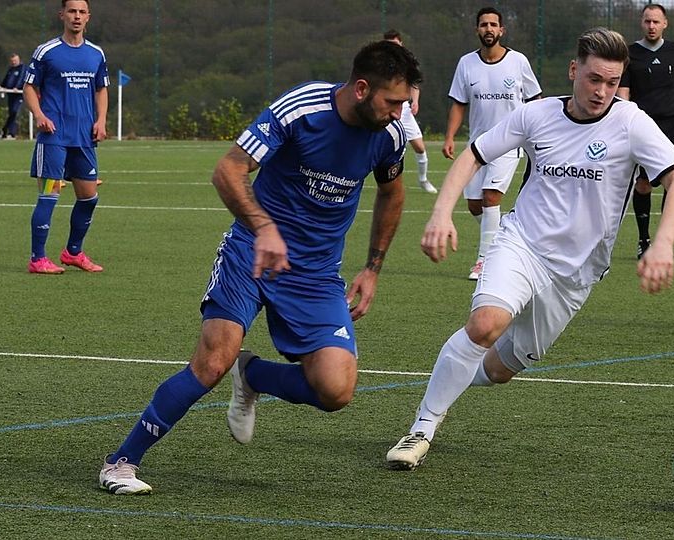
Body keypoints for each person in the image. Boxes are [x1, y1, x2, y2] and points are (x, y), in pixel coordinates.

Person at [98, 40, 422, 495]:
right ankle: (121, 463)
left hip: (315, 273)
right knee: (212, 362)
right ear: (363, 88)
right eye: (393, 101)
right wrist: (264, 227)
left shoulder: (391, 136)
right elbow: (228, 170)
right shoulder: (301, 108)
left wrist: (372, 268)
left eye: (405, 103)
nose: (399, 112)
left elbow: (392, 193)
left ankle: (254, 375)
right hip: (251, 251)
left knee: (335, 390)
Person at [386, 27, 674, 470]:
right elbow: (475, 153)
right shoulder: (537, 114)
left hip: (577, 274)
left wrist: (663, 242)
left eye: (611, 82)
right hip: (522, 244)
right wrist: (441, 213)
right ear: (574, 70)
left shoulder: (632, 123)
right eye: (593, 79)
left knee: (500, 369)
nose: (602, 91)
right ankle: (422, 427)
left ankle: (446, 385)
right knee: (485, 325)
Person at [444, 7, 542, 280]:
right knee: (474, 204)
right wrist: (450, 136)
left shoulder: (518, 61)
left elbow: (535, 100)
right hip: (478, 145)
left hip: (510, 143)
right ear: (477, 29)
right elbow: (458, 104)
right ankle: (501, 237)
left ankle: (484, 261)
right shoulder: (466, 64)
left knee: (490, 197)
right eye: (484, 25)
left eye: (493, 25)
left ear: (502, 30)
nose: (489, 29)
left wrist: (539, 134)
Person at [23, 0, 109, 274]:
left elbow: (101, 89)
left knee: (89, 197)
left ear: (88, 18)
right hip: (54, 137)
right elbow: (28, 86)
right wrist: (39, 114)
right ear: (62, 15)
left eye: (82, 12)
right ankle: (37, 259)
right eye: (72, 11)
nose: (77, 16)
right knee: (49, 195)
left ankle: (73, 252)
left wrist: (102, 120)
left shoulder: (96, 53)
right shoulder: (47, 51)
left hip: (83, 137)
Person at [615, 4, 674, 260]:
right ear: (641, 22)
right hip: (644, 128)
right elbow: (623, 94)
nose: (651, 26)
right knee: (644, 183)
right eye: (647, 21)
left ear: (665, 24)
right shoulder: (630, 54)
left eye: (656, 22)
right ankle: (644, 239)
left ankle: (663, 240)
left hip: (672, 126)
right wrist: (625, 123)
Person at [383, 29, 437, 194]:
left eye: (396, 44)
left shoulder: (408, 63)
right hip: (385, 110)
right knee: (380, 147)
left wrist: (415, 102)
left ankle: (423, 180)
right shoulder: (380, 62)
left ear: (401, 43)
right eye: (390, 45)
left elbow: (414, 85)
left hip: (404, 111)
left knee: (420, 147)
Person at [1, 53, 26, 139]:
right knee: (11, 113)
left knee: (15, 111)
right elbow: (6, 80)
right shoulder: (10, 69)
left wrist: (17, 87)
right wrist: (2, 87)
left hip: (18, 94)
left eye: (15, 60)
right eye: (12, 61)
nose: (14, 62)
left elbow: (21, 78)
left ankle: (10, 131)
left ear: (19, 60)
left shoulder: (22, 68)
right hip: (10, 94)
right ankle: (7, 131)